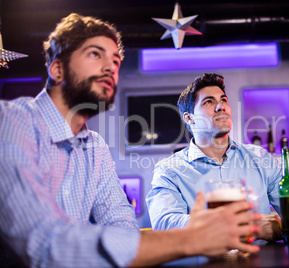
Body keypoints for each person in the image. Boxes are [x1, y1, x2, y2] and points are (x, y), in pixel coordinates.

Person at [0, 14, 262, 267]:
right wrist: (192, 238)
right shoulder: (11, 122)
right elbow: (46, 246)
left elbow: (123, 228)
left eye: (115, 61)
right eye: (95, 54)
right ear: (57, 68)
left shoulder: (95, 147)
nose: (110, 68)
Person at [146, 73, 289, 243]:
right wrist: (248, 226)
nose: (221, 107)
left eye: (223, 100)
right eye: (209, 102)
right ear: (189, 118)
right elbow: (164, 223)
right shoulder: (169, 169)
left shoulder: (259, 157)